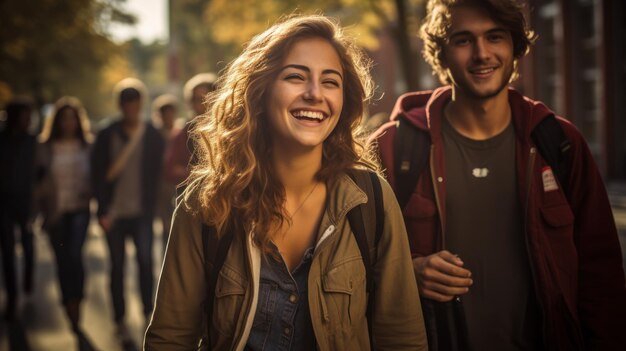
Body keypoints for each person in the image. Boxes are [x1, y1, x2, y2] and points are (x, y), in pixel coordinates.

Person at [145, 15, 427, 351]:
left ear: (343, 99)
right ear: (260, 90)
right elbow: (170, 338)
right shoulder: (207, 203)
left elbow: (402, 337)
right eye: (296, 77)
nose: (314, 94)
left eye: (330, 82)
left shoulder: (371, 200)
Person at [374, 0, 626, 350]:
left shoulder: (561, 144)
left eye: (495, 37)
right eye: (463, 40)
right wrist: (405, 274)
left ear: (515, 46)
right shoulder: (392, 148)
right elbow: (350, 266)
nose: (482, 54)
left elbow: (602, 278)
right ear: (441, 54)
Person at [91, 78, 165, 342]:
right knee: (117, 267)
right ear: (120, 105)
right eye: (126, 104)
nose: (131, 109)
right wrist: (101, 210)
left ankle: (148, 315)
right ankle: (120, 319)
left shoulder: (152, 135)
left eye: (135, 104)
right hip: (114, 213)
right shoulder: (106, 134)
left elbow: (158, 174)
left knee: (146, 264)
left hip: (141, 213)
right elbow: (97, 174)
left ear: (140, 104)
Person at [35, 96, 93, 341]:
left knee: (74, 255)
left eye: (72, 118)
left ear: (78, 121)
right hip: (55, 213)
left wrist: (90, 190)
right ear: (57, 122)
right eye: (64, 118)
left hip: (79, 209)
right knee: (62, 259)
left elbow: (96, 177)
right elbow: (36, 182)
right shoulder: (45, 147)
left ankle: (76, 301)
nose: (68, 123)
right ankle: (67, 301)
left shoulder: (88, 145)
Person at [0, 96, 37, 321]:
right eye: (26, 116)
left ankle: (28, 281)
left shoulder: (33, 141)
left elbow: (40, 170)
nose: (29, 120)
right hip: (3, 200)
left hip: (26, 200)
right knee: (7, 248)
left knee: (28, 243)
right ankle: (12, 295)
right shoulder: (1, 140)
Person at [164, 72, 216, 186]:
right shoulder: (183, 134)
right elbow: (171, 169)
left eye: (207, 99)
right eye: (197, 100)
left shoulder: (228, 132)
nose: (203, 105)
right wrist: (200, 174)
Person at [151, 94, 180, 251]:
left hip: (178, 182)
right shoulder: (154, 135)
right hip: (162, 184)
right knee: (166, 225)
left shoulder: (180, 132)